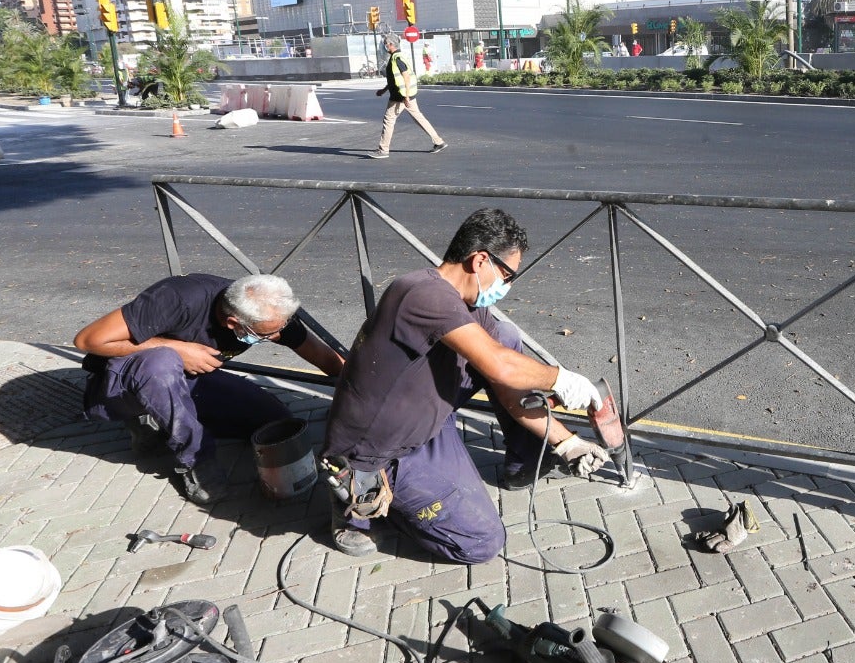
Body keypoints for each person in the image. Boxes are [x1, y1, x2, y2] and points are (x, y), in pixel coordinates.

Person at [321, 207, 610, 560]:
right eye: (507, 275)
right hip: (378, 451)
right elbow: (499, 365)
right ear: (480, 261)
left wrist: (567, 443)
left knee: (504, 336)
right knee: (480, 543)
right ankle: (358, 501)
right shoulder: (420, 293)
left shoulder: (471, 307)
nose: (506, 285)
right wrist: (561, 379)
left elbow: (509, 388)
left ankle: (521, 464)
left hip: (428, 424)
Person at [74, 273, 345, 506]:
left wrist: (364, 392)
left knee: (274, 420)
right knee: (162, 362)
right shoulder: (177, 299)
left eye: (278, 330)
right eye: (266, 335)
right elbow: (87, 339)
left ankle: (165, 422)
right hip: (120, 387)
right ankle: (195, 458)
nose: (275, 337)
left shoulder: (267, 310)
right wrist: (179, 349)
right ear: (233, 323)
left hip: (187, 380)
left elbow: (324, 358)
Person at [371, 33, 446, 159]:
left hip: (399, 97)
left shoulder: (397, 58)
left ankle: (383, 150)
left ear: (391, 44)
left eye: (386, 43)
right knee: (419, 118)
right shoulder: (397, 57)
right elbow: (395, 79)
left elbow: (405, 76)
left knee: (388, 120)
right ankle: (438, 141)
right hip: (404, 95)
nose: (384, 46)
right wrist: (384, 90)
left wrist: (405, 96)